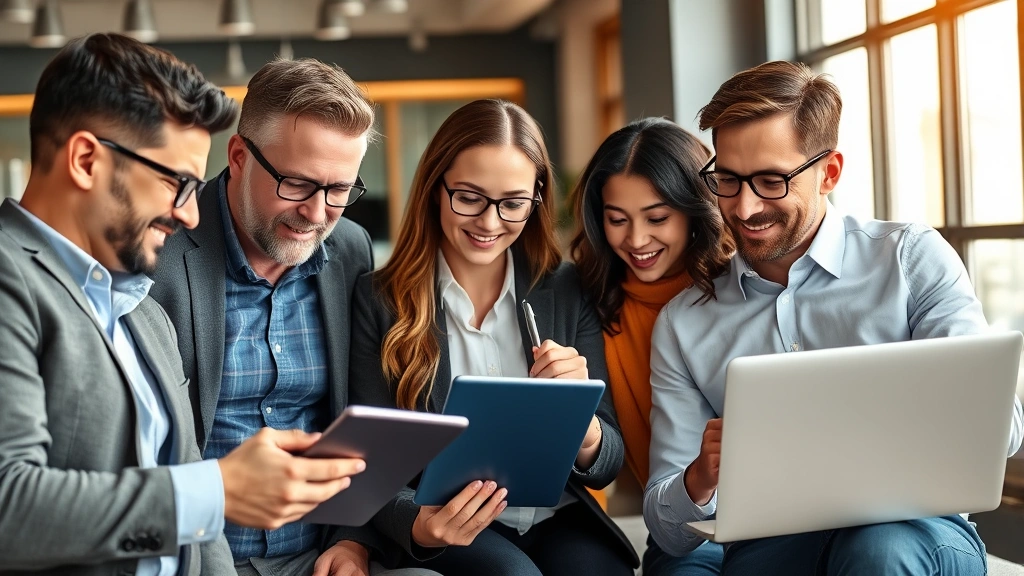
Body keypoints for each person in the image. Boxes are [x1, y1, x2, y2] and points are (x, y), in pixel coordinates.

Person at [0, 34, 368, 576]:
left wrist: (209, 494)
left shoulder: (138, 306)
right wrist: (214, 490)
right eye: (176, 182)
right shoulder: (15, 276)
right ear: (85, 160)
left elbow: (194, 507)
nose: (192, 215)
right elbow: (10, 507)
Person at [643, 60, 1024, 575]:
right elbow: (666, 529)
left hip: (916, 531)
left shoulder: (910, 259)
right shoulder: (685, 323)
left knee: (878, 549)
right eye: (727, 180)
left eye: (771, 181)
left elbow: (1005, 429)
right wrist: (698, 479)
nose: (745, 207)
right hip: (773, 545)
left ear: (830, 172)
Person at [150, 58, 436, 576]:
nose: (317, 213)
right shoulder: (159, 252)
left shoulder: (349, 249)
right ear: (238, 156)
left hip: (320, 555)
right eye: (298, 184)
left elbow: (358, 419)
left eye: (339, 190)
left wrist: (355, 542)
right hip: (201, 555)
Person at [348, 99, 639, 575]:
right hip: (450, 521)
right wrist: (418, 526)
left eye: (513, 203)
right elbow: (370, 464)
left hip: (557, 515)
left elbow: (606, 460)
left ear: (535, 199)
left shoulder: (566, 289)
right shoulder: (380, 301)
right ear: (436, 188)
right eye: (469, 197)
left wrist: (581, 423)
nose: (489, 222)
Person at [569, 117, 732, 575]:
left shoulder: (744, 288)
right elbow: (593, 444)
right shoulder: (591, 303)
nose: (636, 240)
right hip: (683, 525)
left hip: (773, 519)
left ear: (695, 210)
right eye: (617, 219)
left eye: (657, 218)